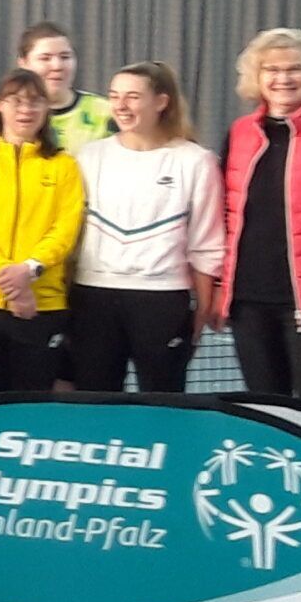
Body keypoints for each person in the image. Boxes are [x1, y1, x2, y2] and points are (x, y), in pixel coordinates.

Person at [218, 28, 301, 427]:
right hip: (250, 303)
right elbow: (227, 215)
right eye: (272, 69)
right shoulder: (239, 133)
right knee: (265, 413)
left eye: (295, 69)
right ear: (257, 76)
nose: (283, 78)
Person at [72, 63, 223, 393]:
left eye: (133, 97)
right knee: (92, 402)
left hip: (164, 301)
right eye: (114, 96)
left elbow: (207, 242)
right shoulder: (89, 156)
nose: (121, 106)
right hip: (92, 299)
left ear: (161, 102)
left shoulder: (196, 161)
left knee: (164, 405)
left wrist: (203, 309)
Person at [0, 70, 84, 405]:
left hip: (42, 307)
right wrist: (14, 286)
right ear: (0, 107)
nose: (26, 110)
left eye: (36, 102)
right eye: (17, 101)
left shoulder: (65, 166)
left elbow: (65, 230)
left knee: (28, 411)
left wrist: (30, 271)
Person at [0, 22, 111, 156]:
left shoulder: (104, 112)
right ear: (23, 63)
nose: (57, 66)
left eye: (65, 57)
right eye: (45, 58)